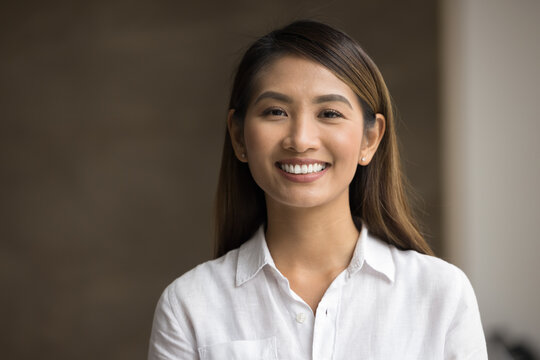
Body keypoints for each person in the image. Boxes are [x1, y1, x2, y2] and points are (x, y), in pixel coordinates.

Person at [148, 20, 487, 359]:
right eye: (276, 111)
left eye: (329, 113)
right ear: (239, 137)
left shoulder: (441, 294)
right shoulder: (189, 306)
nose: (301, 140)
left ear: (370, 139)